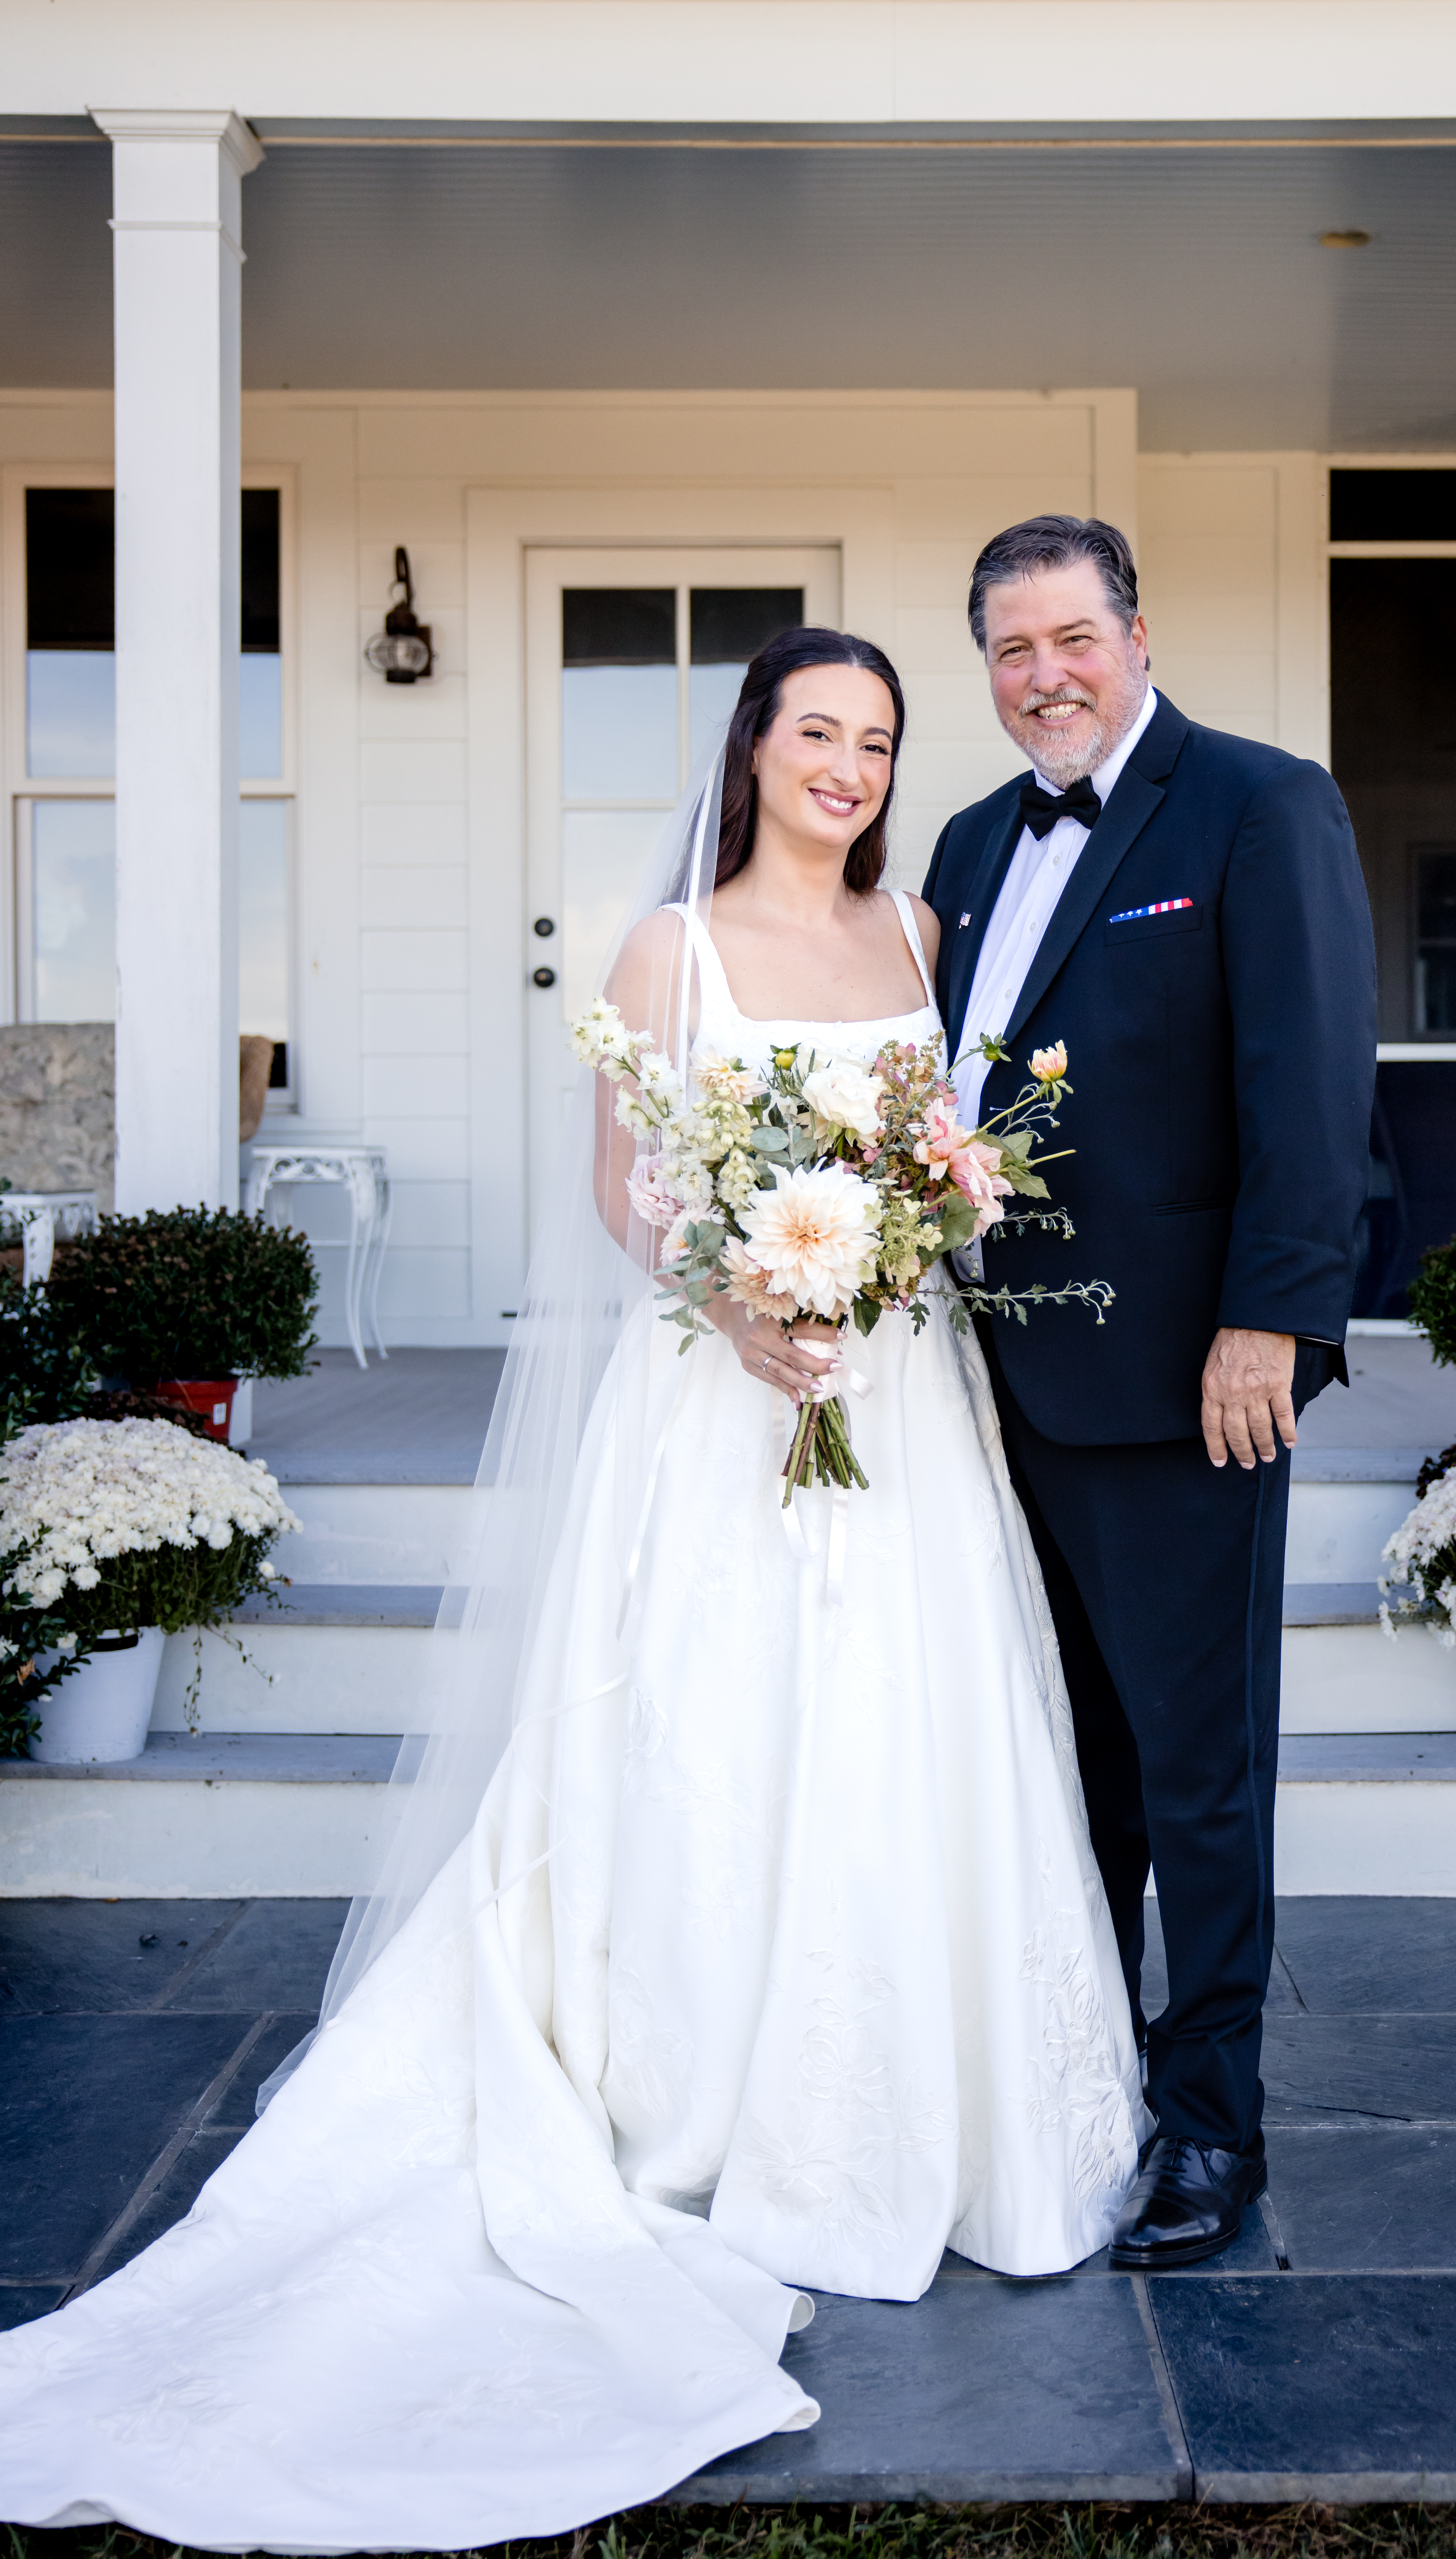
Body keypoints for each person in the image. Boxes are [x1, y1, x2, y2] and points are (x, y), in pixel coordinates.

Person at [0, 627, 1143, 2550]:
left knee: (904, 1729)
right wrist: (743, 1296)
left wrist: (892, 1249)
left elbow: (944, 1159)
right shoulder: (668, 951)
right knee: (709, 1729)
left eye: (874, 740)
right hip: (716, 1402)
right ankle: (692, 2104)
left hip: (900, 1404)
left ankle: (922, 2115)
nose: (847, 769)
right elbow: (630, 1184)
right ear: (753, 745)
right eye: (816, 734)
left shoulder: (921, 945)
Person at [924, 516, 1376, 2270]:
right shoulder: (966, 842)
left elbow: (1313, 1083)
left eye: (1071, 638)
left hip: (1193, 1384)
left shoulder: (1261, 805)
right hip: (984, 1390)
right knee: (1062, 1766)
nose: (1044, 675)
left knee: (1197, 1777)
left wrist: (1272, 1319)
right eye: (1010, 649)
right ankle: (1085, 2082)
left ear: (1135, 631)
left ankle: (1212, 2126)